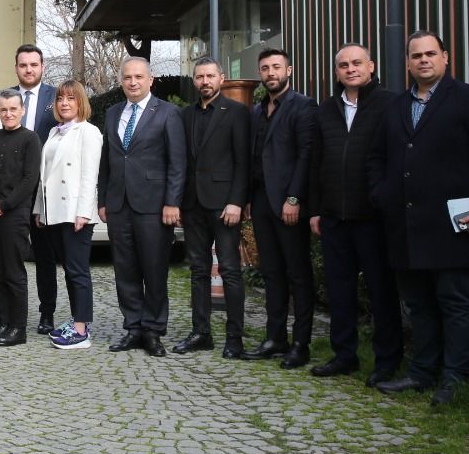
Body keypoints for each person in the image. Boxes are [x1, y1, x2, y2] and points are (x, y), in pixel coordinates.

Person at [369, 31, 469, 407]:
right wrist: (380, 193)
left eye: (431, 53)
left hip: (454, 224)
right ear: (408, 63)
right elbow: (378, 157)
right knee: (418, 304)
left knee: (456, 302)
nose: (423, 60)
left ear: (445, 57)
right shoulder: (396, 106)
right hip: (406, 225)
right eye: (416, 55)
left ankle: (456, 378)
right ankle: (421, 372)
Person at [309, 44, 401, 383]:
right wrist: (315, 210)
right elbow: (316, 163)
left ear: (371, 66)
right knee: (339, 291)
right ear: (337, 72)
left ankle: (387, 360)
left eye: (357, 63)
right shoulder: (327, 109)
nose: (350, 69)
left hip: (373, 218)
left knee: (381, 292)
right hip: (334, 217)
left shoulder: (390, 105)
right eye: (343, 65)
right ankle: (344, 355)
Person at [98, 56, 184, 356]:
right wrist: (103, 200)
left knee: (154, 268)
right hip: (119, 203)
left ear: (151, 80)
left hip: (153, 204)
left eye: (138, 77)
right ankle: (133, 326)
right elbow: (107, 160)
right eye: (127, 78)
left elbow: (177, 163)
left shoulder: (169, 113)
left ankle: (154, 330)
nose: (133, 82)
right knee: (125, 269)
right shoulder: (111, 114)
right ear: (121, 81)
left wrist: (173, 202)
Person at [174, 57, 251, 359]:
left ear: (221, 78)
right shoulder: (185, 115)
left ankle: (235, 338)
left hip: (224, 205)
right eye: (199, 77)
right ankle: (200, 332)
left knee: (230, 270)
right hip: (193, 204)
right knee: (198, 270)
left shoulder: (237, 113)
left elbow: (242, 161)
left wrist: (236, 201)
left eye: (210, 76)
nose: (204, 81)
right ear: (194, 81)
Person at [247, 48, 318, 368]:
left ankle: (301, 343)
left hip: (288, 203)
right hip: (261, 202)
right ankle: (276, 337)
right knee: (272, 273)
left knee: (298, 275)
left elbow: (307, 156)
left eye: (276, 67)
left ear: (289, 70)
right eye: (265, 68)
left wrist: (295, 199)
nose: (270, 73)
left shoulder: (303, 107)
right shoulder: (257, 110)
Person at [34, 80, 103, 350]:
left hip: (75, 213)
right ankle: (76, 321)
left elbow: (89, 176)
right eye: (61, 98)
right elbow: (45, 177)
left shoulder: (89, 132)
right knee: (68, 272)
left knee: (78, 271)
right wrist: (39, 209)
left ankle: (82, 330)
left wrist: (84, 212)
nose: (64, 103)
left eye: (71, 99)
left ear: (80, 103)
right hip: (53, 213)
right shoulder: (55, 131)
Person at [0, 90, 41, 347]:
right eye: (3, 109)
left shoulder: (31, 139)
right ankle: (3, 322)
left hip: (14, 215)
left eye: (13, 109)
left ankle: (18, 328)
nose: (8, 113)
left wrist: (3, 205)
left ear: (22, 110)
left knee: (14, 272)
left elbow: (29, 180)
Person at [8, 45, 60, 333]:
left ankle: (46, 313)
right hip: (13, 193)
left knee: (45, 257)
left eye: (34, 65)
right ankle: (15, 314)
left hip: (44, 190)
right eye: (23, 65)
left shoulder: (57, 98)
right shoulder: (4, 97)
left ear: (42, 67)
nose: (29, 69)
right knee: (13, 255)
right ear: (16, 67)